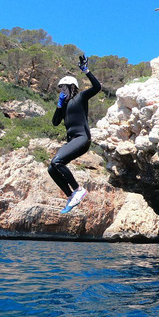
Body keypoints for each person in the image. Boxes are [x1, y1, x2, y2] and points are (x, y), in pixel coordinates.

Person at [48, 55, 102, 214]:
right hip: (72, 140)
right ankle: (71, 195)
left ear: (72, 87)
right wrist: (59, 106)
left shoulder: (80, 97)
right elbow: (55, 122)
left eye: (64, 87)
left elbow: (97, 87)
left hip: (82, 138)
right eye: (60, 89)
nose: (62, 91)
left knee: (57, 161)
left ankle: (78, 190)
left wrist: (86, 71)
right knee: (52, 168)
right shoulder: (63, 106)